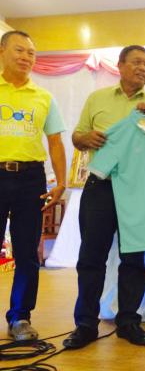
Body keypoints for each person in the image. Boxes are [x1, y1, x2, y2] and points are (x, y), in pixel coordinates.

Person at [63, 45, 145, 349]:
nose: (143, 68)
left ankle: (128, 322)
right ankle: (85, 325)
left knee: (134, 259)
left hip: (137, 190)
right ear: (119, 65)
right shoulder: (97, 98)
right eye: (137, 62)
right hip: (100, 186)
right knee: (91, 258)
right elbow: (77, 136)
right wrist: (86, 138)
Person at [0, 30, 66, 340]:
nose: (26, 57)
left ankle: (20, 318)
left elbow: (55, 142)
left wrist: (61, 182)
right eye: (19, 50)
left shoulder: (44, 97)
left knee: (27, 251)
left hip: (31, 178)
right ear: (2, 52)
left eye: (31, 53)